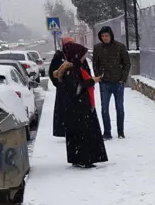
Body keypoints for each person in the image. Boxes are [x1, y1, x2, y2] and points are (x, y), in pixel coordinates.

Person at [56, 41, 108, 169]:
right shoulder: (72, 70)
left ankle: (78, 157)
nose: (85, 57)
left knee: (78, 134)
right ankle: (84, 159)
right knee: (83, 134)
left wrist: (90, 80)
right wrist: (92, 81)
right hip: (78, 108)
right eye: (83, 54)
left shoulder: (74, 68)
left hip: (78, 107)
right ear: (76, 55)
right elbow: (77, 88)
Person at [93, 26, 130, 140]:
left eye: (107, 35)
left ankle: (120, 131)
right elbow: (95, 64)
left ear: (111, 35)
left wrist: (122, 79)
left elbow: (127, 63)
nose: (105, 38)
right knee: (104, 108)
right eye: (103, 36)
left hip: (118, 83)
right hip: (105, 83)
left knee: (119, 108)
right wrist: (100, 76)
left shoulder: (120, 47)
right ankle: (107, 133)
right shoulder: (97, 48)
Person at [48, 37, 73, 138]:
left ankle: (75, 129)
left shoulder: (76, 54)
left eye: (71, 43)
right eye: (67, 44)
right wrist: (58, 84)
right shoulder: (58, 56)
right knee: (63, 110)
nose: (69, 46)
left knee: (74, 110)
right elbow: (51, 72)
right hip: (63, 88)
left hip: (74, 88)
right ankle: (64, 130)